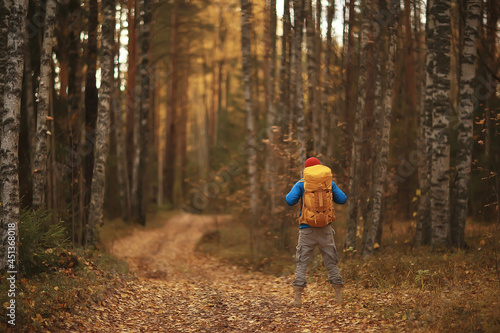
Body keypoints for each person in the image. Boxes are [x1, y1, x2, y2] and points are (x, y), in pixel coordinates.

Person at [286, 157, 347, 307]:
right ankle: (338, 297)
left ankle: (298, 299)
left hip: (306, 230)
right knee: (331, 261)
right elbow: (343, 199)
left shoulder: (302, 184)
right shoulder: (329, 183)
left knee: (302, 262)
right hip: (326, 229)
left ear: (306, 170)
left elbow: (289, 200)